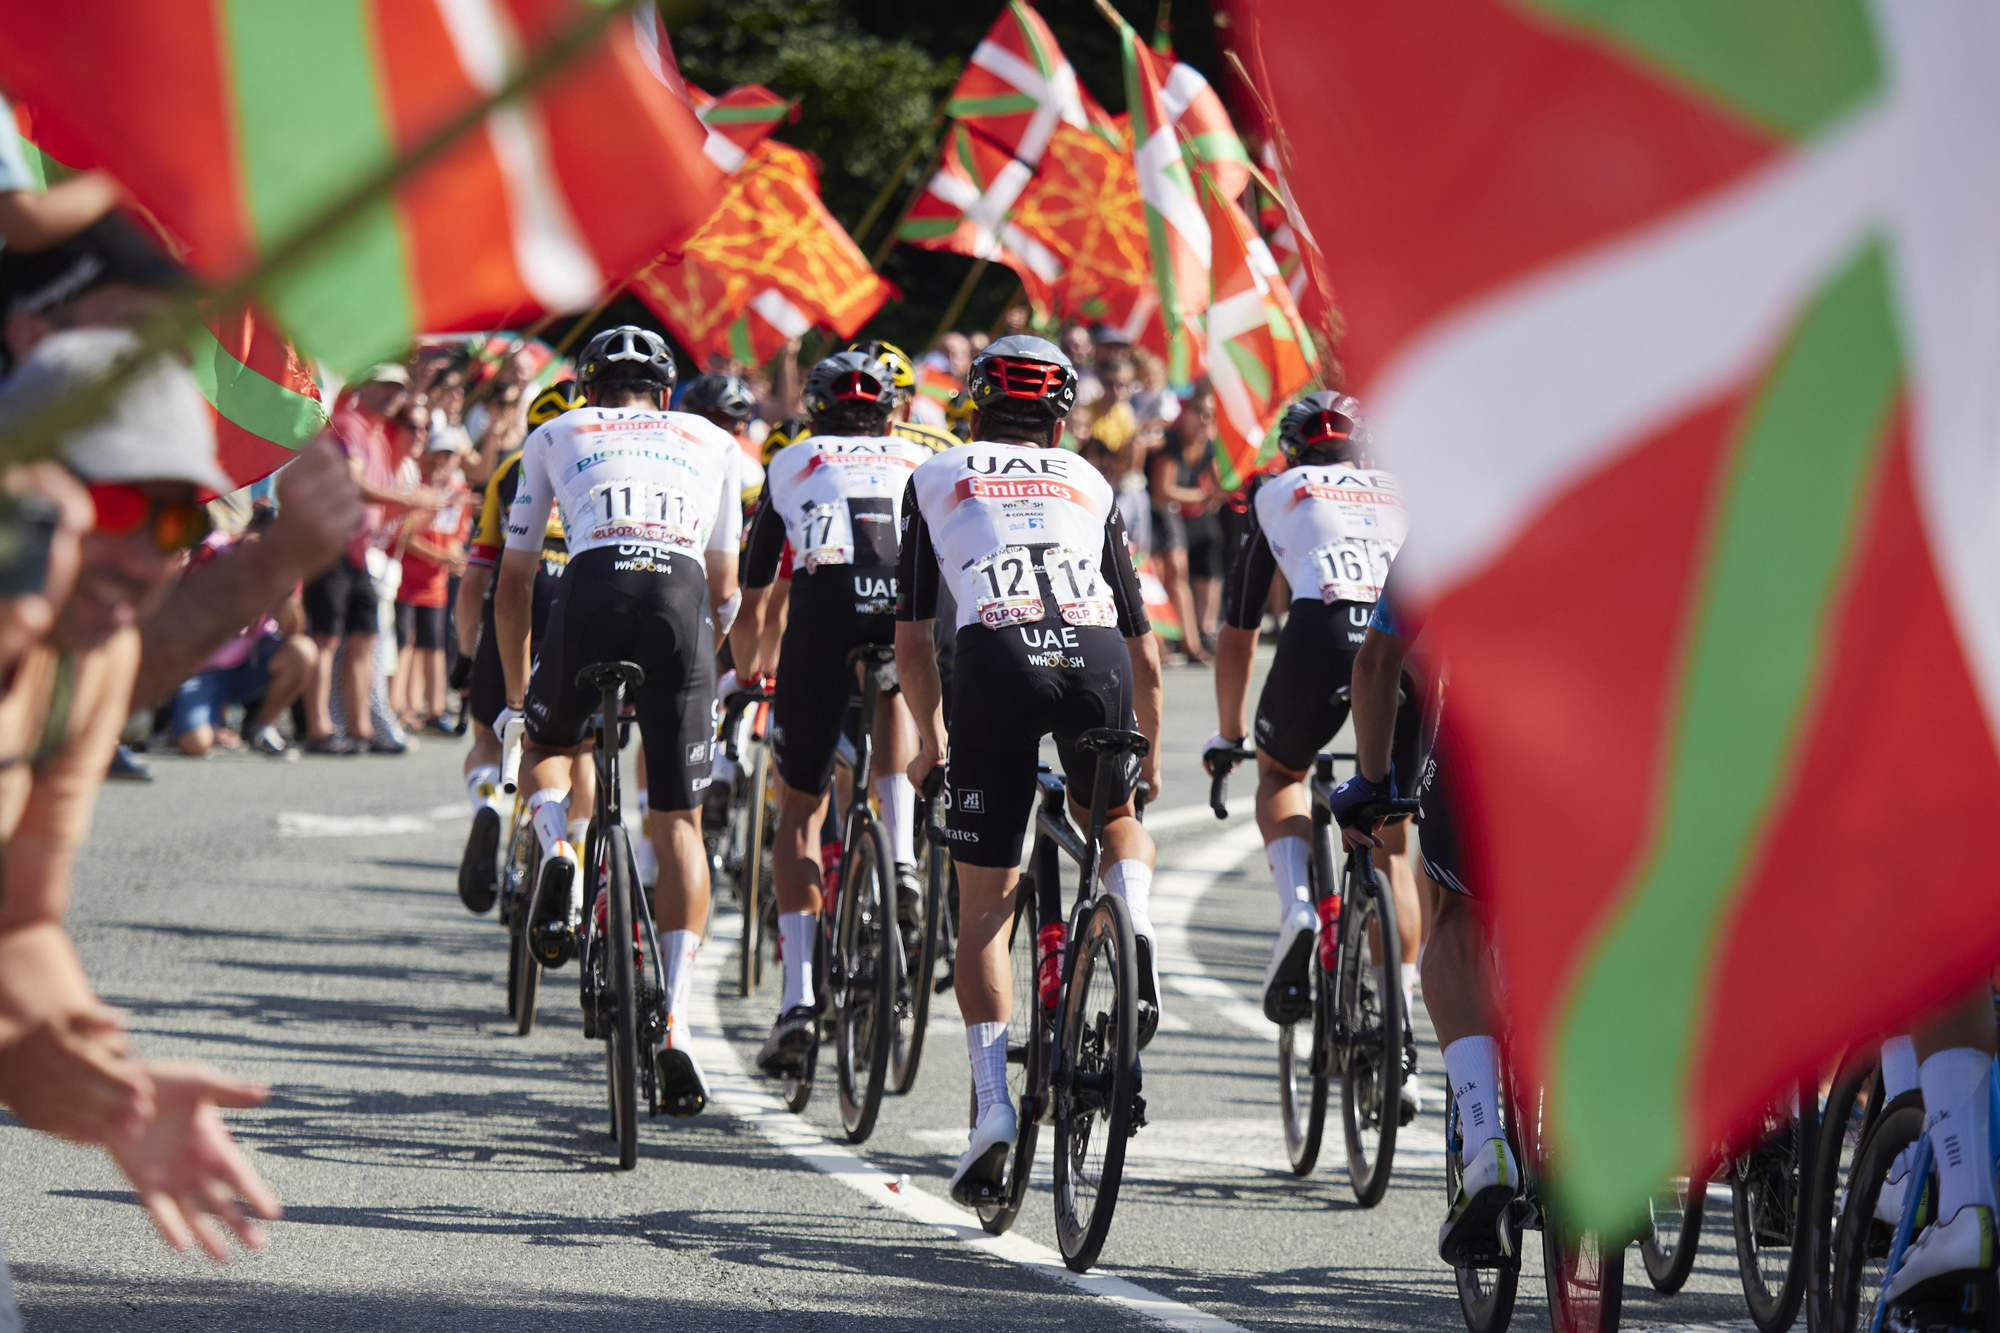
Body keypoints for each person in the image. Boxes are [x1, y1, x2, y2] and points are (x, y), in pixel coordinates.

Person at [0, 329, 282, 1280]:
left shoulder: (88, 656)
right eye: (119, 502)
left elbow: (21, 921)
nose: (143, 553)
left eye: (174, 526)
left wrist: (96, 1079)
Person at [893, 335, 1163, 1203]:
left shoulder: (937, 472)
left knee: (985, 905)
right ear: (1060, 418)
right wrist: (1144, 761)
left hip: (996, 657)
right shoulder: (1090, 479)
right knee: (1116, 823)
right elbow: (1146, 650)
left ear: (976, 406)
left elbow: (912, 637)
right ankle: (1136, 923)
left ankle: (994, 1113)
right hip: (1094, 656)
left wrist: (929, 739)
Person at [494, 326, 741, 1118]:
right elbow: (728, 584)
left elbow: (515, 580)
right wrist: (707, 672)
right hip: (681, 601)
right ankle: (676, 1023)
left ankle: (558, 843)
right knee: (679, 822)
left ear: (589, 389)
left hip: (592, 588)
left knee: (550, 744)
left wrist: (513, 698)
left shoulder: (556, 430)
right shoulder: (711, 436)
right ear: (666, 397)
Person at [1203, 391, 1422, 1121]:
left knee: (1281, 771)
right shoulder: (1403, 487)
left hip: (1319, 635)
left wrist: (1230, 734)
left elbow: (1235, 632)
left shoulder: (1277, 490)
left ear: (1295, 449)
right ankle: (1402, 1028)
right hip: (1405, 649)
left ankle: (1300, 907)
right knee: (1393, 831)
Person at [729, 349, 931, 1076]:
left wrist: (749, 669)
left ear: (816, 410)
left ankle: (797, 1002)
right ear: (890, 412)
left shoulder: (791, 456)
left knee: (802, 814)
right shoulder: (921, 457)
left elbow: (754, 593)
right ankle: (903, 856)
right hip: (908, 618)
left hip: (824, 617)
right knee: (894, 683)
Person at [1330, 574, 1508, 1264]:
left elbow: (1378, 659)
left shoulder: (1452, 494)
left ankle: (1486, 1133)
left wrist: (1374, 783)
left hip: (1481, 729)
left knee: (1457, 919)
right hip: (1611, 727)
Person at [452, 380, 588, 914]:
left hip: (519, 592)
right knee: (581, 749)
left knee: (489, 732)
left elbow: (474, 578)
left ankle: (487, 800)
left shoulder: (511, 470)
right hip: (582, 594)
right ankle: (570, 861)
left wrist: (466, 656)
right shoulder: (607, 457)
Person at [301, 364, 444, 754]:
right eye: (384, 387)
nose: (392, 394)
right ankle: (319, 728)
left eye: (397, 388)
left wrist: (425, 504)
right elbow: (355, 484)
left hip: (359, 551)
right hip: (331, 544)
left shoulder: (378, 434)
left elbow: (381, 507)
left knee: (365, 638)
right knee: (326, 638)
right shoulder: (349, 424)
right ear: (365, 387)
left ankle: (361, 728)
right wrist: (412, 499)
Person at [168, 513, 317, 757]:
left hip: (250, 663)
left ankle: (261, 727)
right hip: (204, 667)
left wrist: (287, 594)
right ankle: (200, 725)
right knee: (195, 744)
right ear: (246, 531)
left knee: (303, 650)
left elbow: (294, 629)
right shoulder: (215, 550)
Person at [393, 434, 471, 733]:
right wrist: (442, 554)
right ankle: (402, 708)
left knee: (434, 645)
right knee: (406, 645)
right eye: (439, 454)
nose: (443, 462)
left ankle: (435, 709)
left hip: (436, 583)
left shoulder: (459, 491)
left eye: (450, 456)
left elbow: (458, 534)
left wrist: (455, 558)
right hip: (407, 579)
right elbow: (407, 535)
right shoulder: (417, 489)